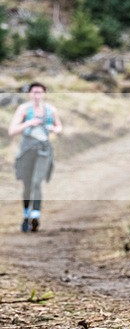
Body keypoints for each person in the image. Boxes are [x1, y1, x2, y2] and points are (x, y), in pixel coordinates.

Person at [7, 82, 63, 232]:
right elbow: (12, 131)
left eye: (40, 92)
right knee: (27, 185)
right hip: (26, 150)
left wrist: (54, 128)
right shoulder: (24, 110)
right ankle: (26, 215)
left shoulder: (51, 110)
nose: (37, 95)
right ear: (29, 94)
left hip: (44, 150)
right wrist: (28, 123)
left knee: (37, 182)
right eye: (34, 92)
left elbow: (59, 127)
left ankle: (35, 215)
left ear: (44, 94)